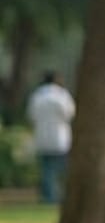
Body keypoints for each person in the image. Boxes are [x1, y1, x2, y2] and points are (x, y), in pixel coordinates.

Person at [26, 71, 76, 204]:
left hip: (42, 137)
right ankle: (61, 196)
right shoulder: (62, 95)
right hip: (60, 137)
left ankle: (49, 196)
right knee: (63, 169)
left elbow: (31, 116)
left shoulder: (37, 96)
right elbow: (70, 113)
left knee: (47, 170)